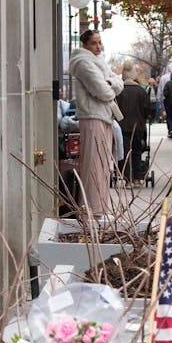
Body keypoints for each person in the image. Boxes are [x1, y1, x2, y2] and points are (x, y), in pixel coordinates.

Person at [67, 29, 123, 215]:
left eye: (100, 42)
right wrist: (111, 84)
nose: (98, 47)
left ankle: (99, 208)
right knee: (94, 165)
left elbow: (118, 82)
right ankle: (91, 210)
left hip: (103, 116)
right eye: (94, 43)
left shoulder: (98, 61)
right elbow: (103, 92)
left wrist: (111, 83)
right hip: (92, 117)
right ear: (85, 44)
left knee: (103, 165)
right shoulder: (83, 62)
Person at [115, 60, 151, 187]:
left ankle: (127, 178)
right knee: (136, 151)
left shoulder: (119, 92)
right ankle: (137, 178)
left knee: (125, 152)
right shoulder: (141, 91)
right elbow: (147, 110)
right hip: (138, 127)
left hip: (122, 127)